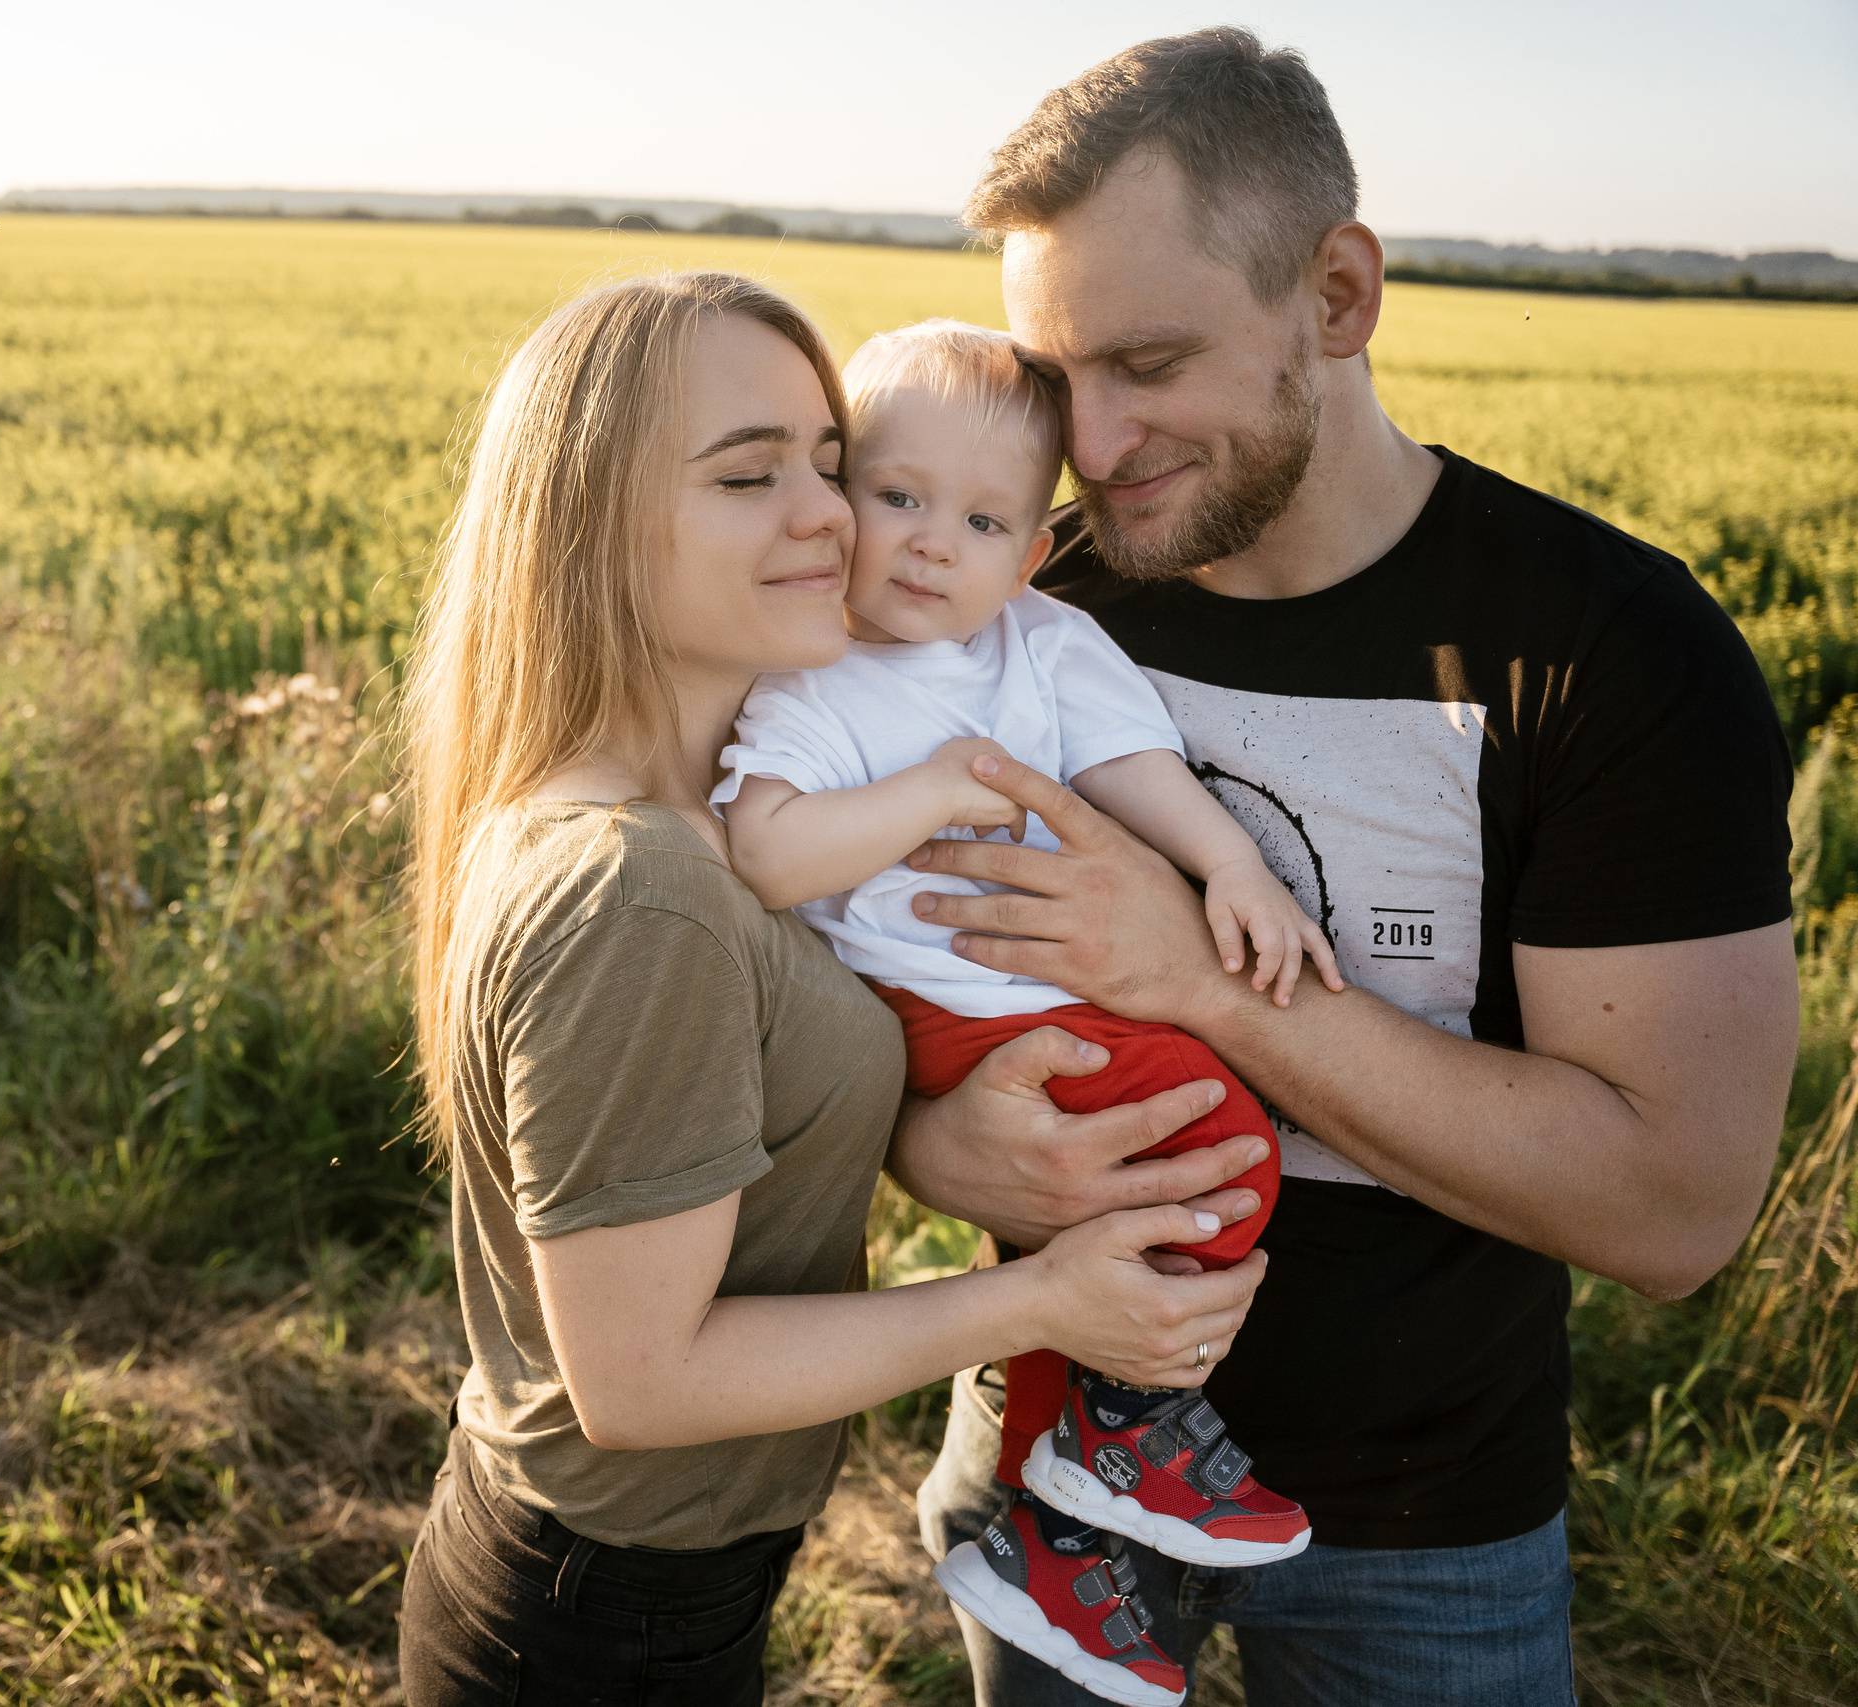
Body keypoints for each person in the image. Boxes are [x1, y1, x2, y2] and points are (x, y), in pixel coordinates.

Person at [888, 28, 1799, 1707]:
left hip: (1425, 1533)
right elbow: (856, 963)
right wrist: (935, 1146)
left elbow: (1677, 1209)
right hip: (1047, 1452)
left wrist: (1186, 974)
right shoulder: (1008, 593)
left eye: (1149, 362)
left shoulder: (1608, 652)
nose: (1089, 441)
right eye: (1052, 376)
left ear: (1340, 295)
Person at [394, 270, 1268, 1707]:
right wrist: (1041, 1302)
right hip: (598, 1623)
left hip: (654, 1584)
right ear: (595, 520)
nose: (831, 517)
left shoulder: (713, 799)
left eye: (828, 462)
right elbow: (644, 1385)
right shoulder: (641, 886)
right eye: (752, 475)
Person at [710, 319, 1329, 1704]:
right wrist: (933, 789)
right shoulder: (815, 670)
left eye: (983, 520)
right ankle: (1115, 1443)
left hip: (1040, 1001)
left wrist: (1229, 860)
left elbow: (1130, 763)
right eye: (898, 497)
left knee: (1137, 1202)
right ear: (836, 492)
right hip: (941, 1007)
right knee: (1215, 1144)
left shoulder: (1041, 644)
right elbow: (766, 851)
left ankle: (1060, 1525)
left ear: (1033, 556)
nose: (933, 544)